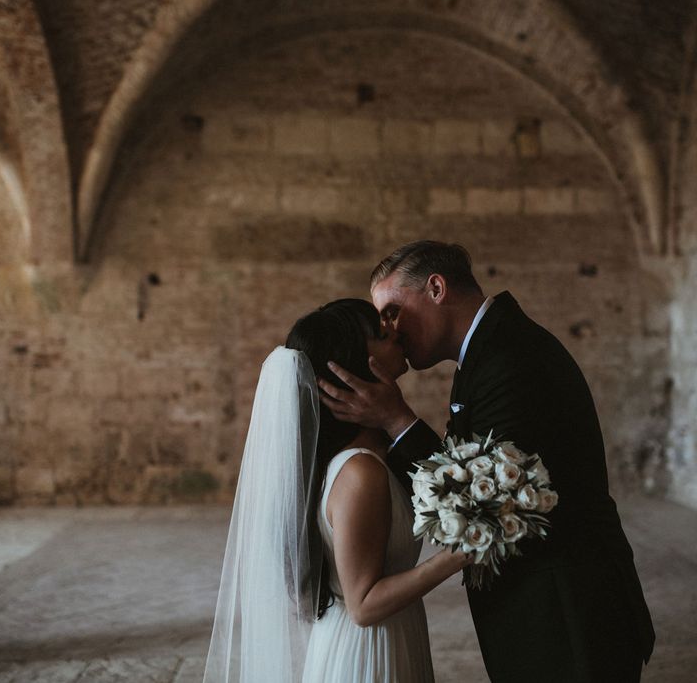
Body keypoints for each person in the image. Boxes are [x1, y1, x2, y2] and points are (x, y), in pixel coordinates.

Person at [319, 241, 656, 683]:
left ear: (436, 288)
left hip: (567, 610)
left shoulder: (511, 357)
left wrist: (396, 418)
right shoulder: (487, 353)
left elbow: (488, 498)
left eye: (393, 311)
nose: (391, 330)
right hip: (545, 608)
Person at [199, 299, 467, 683]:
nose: (395, 332)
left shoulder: (370, 457)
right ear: (355, 365)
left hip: (385, 637)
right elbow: (363, 604)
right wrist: (459, 555)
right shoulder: (360, 472)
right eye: (380, 333)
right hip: (370, 651)